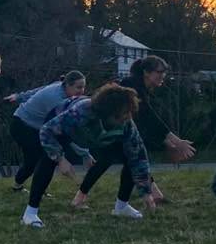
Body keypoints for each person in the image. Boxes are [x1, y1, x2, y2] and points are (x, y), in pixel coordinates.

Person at [21, 83, 154, 228]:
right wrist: (60, 158)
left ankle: (121, 207)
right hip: (63, 127)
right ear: (107, 112)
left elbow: (138, 156)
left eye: (129, 113)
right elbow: (46, 131)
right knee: (48, 159)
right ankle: (30, 213)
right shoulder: (82, 112)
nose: (127, 118)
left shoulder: (126, 124)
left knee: (127, 156)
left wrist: (145, 191)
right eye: (122, 114)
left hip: (95, 136)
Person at [74, 56, 194, 208]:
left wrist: (168, 143)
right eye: (160, 71)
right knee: (116, 160)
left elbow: (143, 123)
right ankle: (88, 200)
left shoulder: (140, 87)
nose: (163, 75)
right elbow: (150, 117)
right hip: (104, 126)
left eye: (164, 71)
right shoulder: (133, 87)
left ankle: (151, 196)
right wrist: (176, 141)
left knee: (127, 160)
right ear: (146, 72)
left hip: (118, 127)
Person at [4, 71, 90, 190]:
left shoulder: (59, 85)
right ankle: (19, 186)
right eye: (78, 87)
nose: (82, 91)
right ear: (67, 85)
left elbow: (38, 90)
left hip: (36, 127)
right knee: (37, 159)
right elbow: (65, 133)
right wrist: (84, 154)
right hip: (22, 126)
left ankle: (34, 188)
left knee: (48, 158)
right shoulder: (56, 100)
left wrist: (19, 97)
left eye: (83, 87)